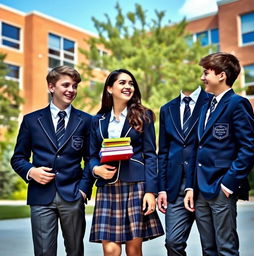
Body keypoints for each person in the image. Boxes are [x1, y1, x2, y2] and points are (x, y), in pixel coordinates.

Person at [11, 66, 94, 256]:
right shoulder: (31, 120)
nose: (71, 90)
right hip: (41, 197)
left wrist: (83, 189)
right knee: (43, 252)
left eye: (74, 86)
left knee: (75, 251)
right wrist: (31, 171)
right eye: (66, 85)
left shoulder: (87, 121)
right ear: (51, 87)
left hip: (73, 195)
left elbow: (91, 159)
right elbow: (18, 158)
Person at [184, 52, 254, 256]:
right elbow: (196, 149)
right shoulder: (206, 105)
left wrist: (228, 184)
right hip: (200, 190)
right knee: (208, 249)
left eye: (206, 72)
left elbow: (248, 148)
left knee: (226, 249)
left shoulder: (237, 104)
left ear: (222, 75)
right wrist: (191, 186)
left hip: (220, 189)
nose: (202, 77)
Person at [89, 69, 164, 256]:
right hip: (107, 187)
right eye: (122, 83)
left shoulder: (143, 115)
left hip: (136, 186)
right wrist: (96, 169)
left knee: (133, 249)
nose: (128, 86)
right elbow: (90, 156)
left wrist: (151, 191)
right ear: (109, 88)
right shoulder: (97, 120)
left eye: (131, 83)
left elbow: (150, 155)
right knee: (110, 250)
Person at [157, 82, 211, 255]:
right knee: (173, 243)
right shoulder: (167, 109)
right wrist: (162, 188)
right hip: (175, 186)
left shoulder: (211, 102)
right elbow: (163, 151)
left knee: (210, 246)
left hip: (203, 184)